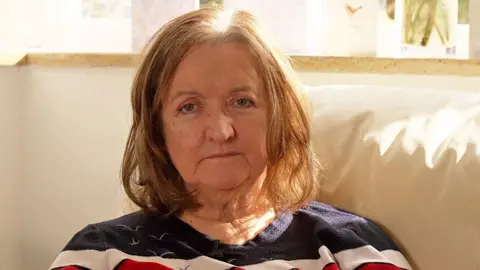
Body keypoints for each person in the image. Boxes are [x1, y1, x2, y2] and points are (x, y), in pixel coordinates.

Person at [50, 8, 412, 270]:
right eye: (189, 107)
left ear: (280, 117)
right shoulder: (99, 255)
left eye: (242, 102)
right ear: (158, 132)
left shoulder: (354, 248)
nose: (222, 131)